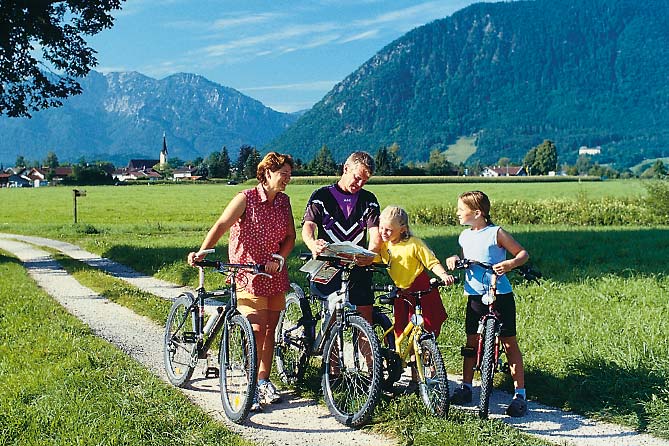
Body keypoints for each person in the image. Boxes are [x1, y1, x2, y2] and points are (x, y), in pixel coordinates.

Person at [188, 152, 295, 412]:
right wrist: (202, 252)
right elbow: (222, 225)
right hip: (247, 273)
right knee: (256, 329)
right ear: (268, 173)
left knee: (271, 330)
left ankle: (263, 380)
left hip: (274, 273)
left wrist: (279, 257)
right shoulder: (245, 199)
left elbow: (290, 237)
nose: (287, 180)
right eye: (284, 175)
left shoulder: (284, 202)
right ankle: (249, 384)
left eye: (290, 176)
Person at [445, 190, 529, 417]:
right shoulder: (464, 236)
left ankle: (519, 394)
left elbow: (522, 253)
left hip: (499, 294)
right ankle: (466, 386)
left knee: (509, 343)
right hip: (474, 295)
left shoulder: (496, 233)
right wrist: (454, 260)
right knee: (471, 341)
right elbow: (467, 258)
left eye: (461, 210)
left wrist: (510, 264)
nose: (457, 213)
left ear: (477, 212)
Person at [375, 205, 455, 391]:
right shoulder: (384, 246)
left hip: (422, 291)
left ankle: (435, 378)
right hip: (402, 294)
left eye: (389, 230)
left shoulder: (414, 244)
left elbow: (432, 262)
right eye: (381, 229)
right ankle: (414, 379)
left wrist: (443, 275)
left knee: (427, 332)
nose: (384, 233)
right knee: (406, 334)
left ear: (402, 229)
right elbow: (373, 259)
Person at [302, 151, 381, 323]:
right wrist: (312, 243)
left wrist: (371, 254)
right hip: (329, 263)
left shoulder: (369, 200)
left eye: (365, 181)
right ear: (346, 168)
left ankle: (367, 350)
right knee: (332, 316)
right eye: (357, 177)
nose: (359, 184)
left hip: (357, 263)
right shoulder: (321, 196)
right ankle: (330, 349)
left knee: (365, 315)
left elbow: (375, 234)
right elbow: (308, 225)